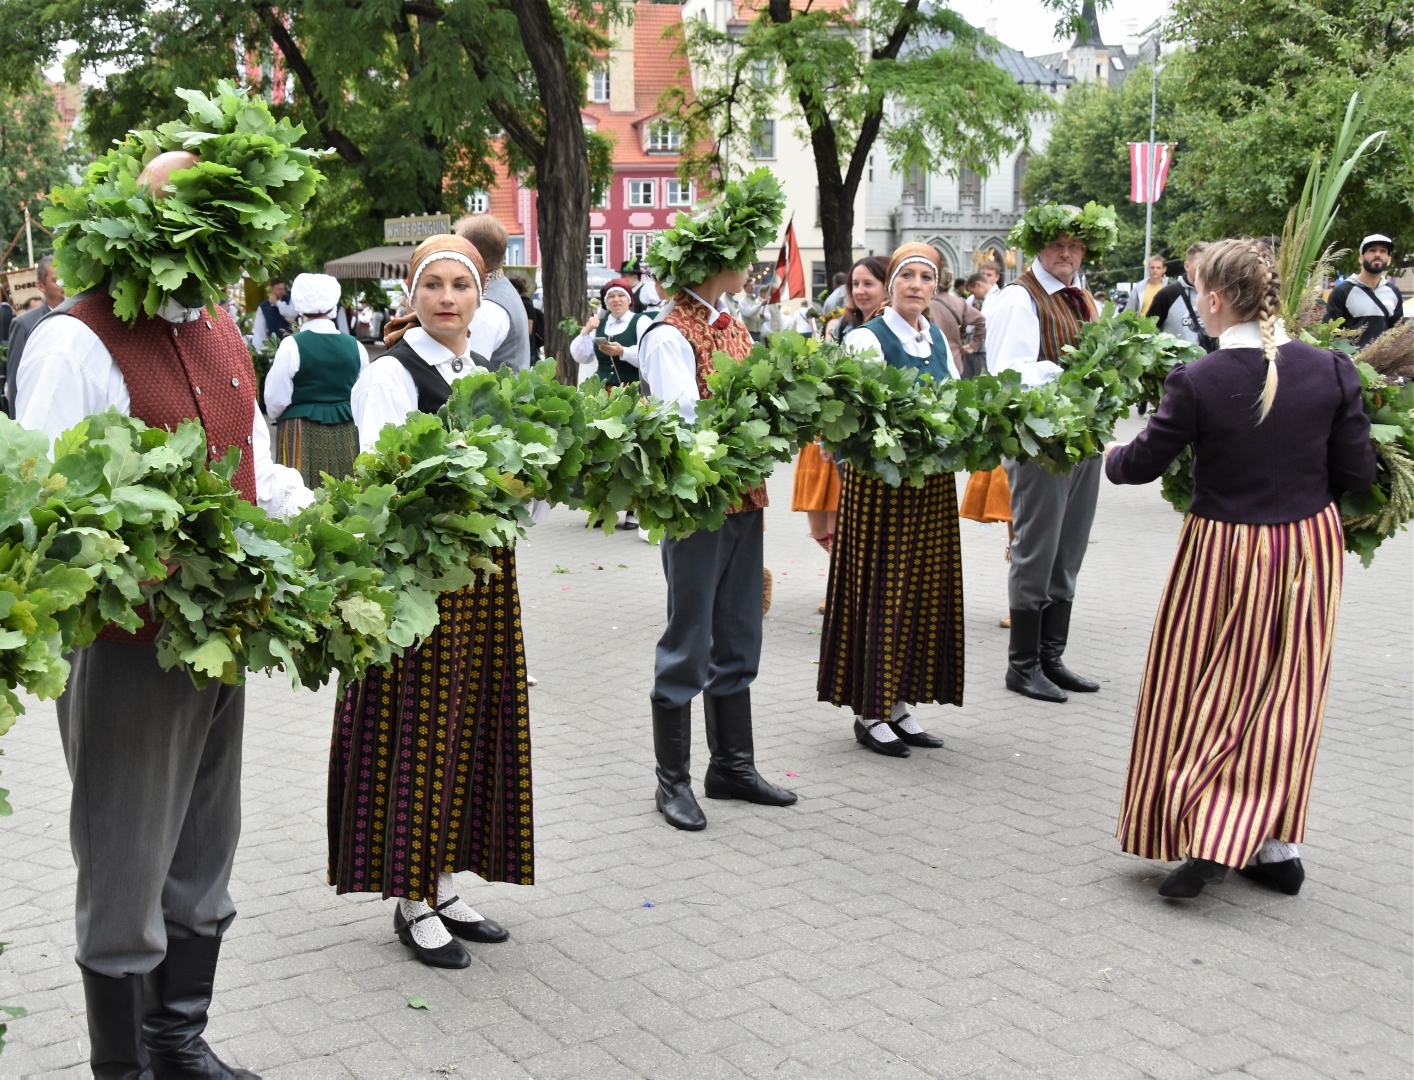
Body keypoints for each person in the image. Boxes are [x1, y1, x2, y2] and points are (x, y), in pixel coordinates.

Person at [17, 125, 315, 1077]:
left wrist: (297, 530)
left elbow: (256, 464)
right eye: (175, 211)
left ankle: (177, 1043)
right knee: (126, 862)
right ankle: (124, 1069)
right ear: (136, 217)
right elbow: (51, 509)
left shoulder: (221, 324)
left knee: (203, 852)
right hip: (126, 643)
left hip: (223, 635)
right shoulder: (75, 336)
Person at [1105, 238, 1375, 899]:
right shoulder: (1334, 370)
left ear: (1217, 300)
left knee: (1200, 689)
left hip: (1222, 551)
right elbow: (1358, 474)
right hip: (1307, 547)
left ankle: (1209, 837)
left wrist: (1107, 455)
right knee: (1287, 696)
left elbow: (1139, 465)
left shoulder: (1197, 380)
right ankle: (1275, 849)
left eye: (1199, 293)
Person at [336, 234, 530, 967]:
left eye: (462, 286)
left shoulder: (480, 371)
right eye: (434, 286)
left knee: (468, 726)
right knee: (420, 731)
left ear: (482, 299)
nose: (448, 298)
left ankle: (444, 883)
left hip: (482, 574)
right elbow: (386, 479)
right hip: (421, 576)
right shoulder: (393, 374)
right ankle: (411, 898)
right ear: (412, 298)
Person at [637, 170, 796, 831]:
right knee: (689, 636)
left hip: (742, 495)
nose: (751, 261)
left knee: (737, 630)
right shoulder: (671, 332)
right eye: (741, 252)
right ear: (716, 262)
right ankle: (671, 781)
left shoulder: (729, 324)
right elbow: (682, 423)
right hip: (698, 502)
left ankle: (730, 763)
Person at [820, 242, 961, 757]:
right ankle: (869, 710)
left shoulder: (938, 339)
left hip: (929, 485)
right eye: (908, 276)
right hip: (880, 486)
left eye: (928, 277)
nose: (918, 285)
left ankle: (899, 704)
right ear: (892, 283)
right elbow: (855, 416)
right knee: (882, 590)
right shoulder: (867, 338)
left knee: (919, 592)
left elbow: (956, 402)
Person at [986, 202, 1117, 703]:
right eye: (1058, 244)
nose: (1067, 253)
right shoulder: (1021, 298)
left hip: (1082, 438)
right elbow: (1007, 372)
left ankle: (1050, 656)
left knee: (1069, 550)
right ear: (1040, 245)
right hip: (1040, 442)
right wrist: (1071, 373)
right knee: (1037, 551)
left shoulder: (1081, 297)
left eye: (1076, 245)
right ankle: (1022, 665)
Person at [263, 272, 369, 486]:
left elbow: (274, 400)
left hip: (300, 429)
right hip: (346, 429)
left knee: (297, 497)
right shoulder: (356, 347)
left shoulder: (291, 345)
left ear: (300, 308)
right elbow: (364, 395)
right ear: (333, 307)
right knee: (344, 492)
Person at [457, 213, 531, 373]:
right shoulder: (502, 289)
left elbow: (467, 371)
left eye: (457, 250)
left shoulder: (485, 307)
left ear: (472, 255)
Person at [4, 253, 67, 417]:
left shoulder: (84, 317)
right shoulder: (25, 324)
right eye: (56, 280)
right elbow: (15, 382)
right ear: (41, 286)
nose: (63, 285)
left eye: (65, 278)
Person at [570, 278, 652, 388]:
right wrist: (586, 331)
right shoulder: (599, 324)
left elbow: (649, 356)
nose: (616, 299)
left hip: (632, 389)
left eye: (621, 295)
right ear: (606, 301)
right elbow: (582, 358)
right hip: (601, 389)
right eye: (611, 296)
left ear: (629, 299)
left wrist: (623, 351)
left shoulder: (641, 321)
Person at [1325, 234, 1404, 348]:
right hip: (1352, 363)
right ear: (1361, 258)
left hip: (1385, 362)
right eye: (1372, 250)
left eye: (1383, 251)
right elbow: (1327, 333)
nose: (1377, 254)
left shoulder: (1393, 292)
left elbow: (1398, 331)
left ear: (1389, 259)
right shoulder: (1343, 291)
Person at [1147, 243, 1217, 352]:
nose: (1206, 269)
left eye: (1210, 264)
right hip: (1178, 366)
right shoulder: (1167, 295)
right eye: (1201, 264)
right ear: (1187, 266)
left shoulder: (1216, 294)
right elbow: (1148, 332)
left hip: (1209, 364)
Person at [930, 259, 986, 379]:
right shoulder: (959, 302)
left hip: (931, 362)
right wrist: (973, 345)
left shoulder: (926, 305)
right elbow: (981, 320)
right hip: (955, 361)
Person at [251, 278, 295, 348]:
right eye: (279, 289)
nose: (282, 291)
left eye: (283, 289)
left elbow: (292, 314)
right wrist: (258, 348)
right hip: (273, 345)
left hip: (290, 342)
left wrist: (278, 303)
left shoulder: (290, 300)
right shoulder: (263, 306)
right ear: (271, 289)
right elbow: (259, 328)